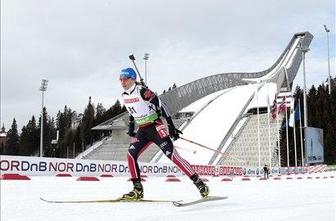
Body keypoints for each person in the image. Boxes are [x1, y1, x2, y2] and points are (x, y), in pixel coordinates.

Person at [119, 67, 209, 200]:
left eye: (125, 79)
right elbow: (132, 111)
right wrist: (132, 127)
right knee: (130, 155)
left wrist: (171, 126)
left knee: (173, 156)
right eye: (120, 79)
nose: (122, 82)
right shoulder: (124, 95)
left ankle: (199, 183)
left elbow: (163, 105)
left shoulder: (143, 91)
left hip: (155, 126)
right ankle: (137, 190)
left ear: (133, 79)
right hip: (142, 130)